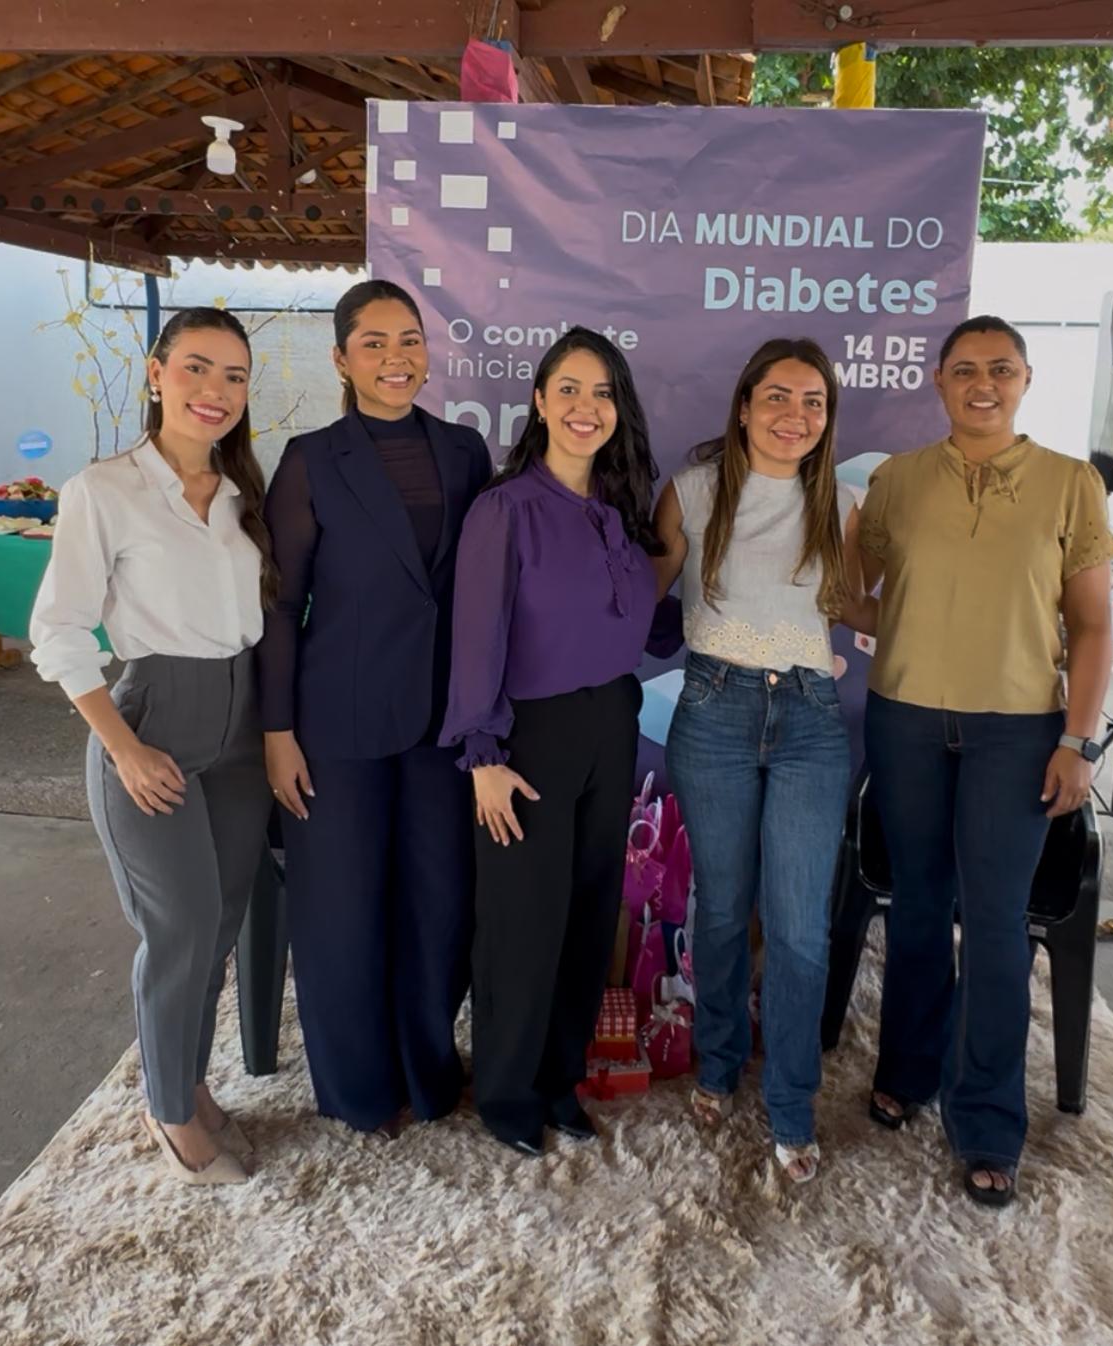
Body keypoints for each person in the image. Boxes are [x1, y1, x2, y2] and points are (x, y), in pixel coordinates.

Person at [858, 315, 1113, 1207]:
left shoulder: (1070, 484)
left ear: (1026, 379)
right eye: (965, 370)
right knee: (920, 908)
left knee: (999, 923)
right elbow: (852, 585)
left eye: (1000, 370)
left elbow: (1090, 626)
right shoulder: (896, 480)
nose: (983, 384)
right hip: (904, 722)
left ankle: (987, 1119)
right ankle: (908, 1070)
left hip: (1018, 731)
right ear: (938, 383)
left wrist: (1078, 741)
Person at [30, 307, 274, 1185]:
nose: (216, 392)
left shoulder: (249, 493)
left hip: (243, 733)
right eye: (199, 369)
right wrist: (124, 747)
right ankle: (170, 1112)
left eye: (235, 377)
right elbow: (57, 632)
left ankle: (186, 1080)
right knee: (178, 930)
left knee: (218, 928)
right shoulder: (105, 490)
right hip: (151, 724)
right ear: (154, 373)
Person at [257, 279, 490, 1134]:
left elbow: (481, 588)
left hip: (443, 724)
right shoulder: (311, 460)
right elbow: (282, 604)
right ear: (341, 360)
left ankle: (429, 1073)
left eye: (410, 341)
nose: (397, 359)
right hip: (337, 725)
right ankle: (359, 1090)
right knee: (342, 911)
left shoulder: (465, 453)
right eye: (375, 345)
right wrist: (276, 731)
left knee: (438, 906)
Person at [440, 326, 663, 1157]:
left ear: (618, 410)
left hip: (614, 724)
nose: (585, 407)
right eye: (568, 389)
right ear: (538, 402)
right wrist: (483, 756)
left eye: (602, 392)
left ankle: (560, 1079)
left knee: (585, 915)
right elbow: (477, 641)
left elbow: (650, 625)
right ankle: (505, 1093)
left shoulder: (620, 511)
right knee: (520, 924)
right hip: (526, 736)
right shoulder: (505, 511)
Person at [652, 336, 865, 1185]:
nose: (795, 415)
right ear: (744, 405)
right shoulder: (694, 491)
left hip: (811, 719)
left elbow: (861, 607)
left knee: (801, 925)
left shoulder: (843, 503)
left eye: (813, 402)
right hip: (715, 710)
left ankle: (790, 1103)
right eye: (779, 397)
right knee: (721, 907)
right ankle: (714, 1063)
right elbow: (638, 592)